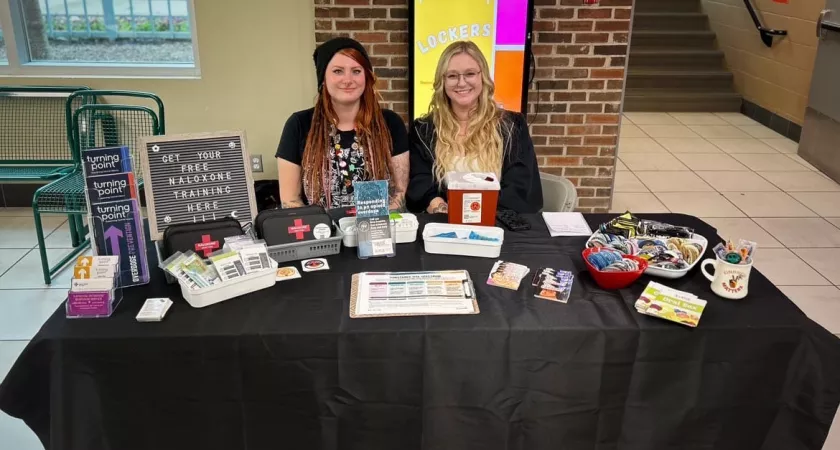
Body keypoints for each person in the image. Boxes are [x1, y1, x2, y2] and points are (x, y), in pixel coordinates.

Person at [406, 40, 542, 214]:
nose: (461, 83)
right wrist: (440, 207)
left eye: (469, 74)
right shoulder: (423, 129)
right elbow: (421, 181)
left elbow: (519, 187)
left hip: (498, 223)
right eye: (452, 76)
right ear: (443, 81)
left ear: (482, 76)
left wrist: (475, 215)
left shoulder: (513, 126)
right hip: (446, 224)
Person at [276, 37, 409, 211]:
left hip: (378, 232)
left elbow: (398, 193)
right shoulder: (299, 124)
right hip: (323, 233)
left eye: (356, 71)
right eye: (338, 71)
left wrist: (377, 231)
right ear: (323, 78)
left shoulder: (390, 123)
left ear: (366, 77)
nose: (348, 80)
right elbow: (290, 200)